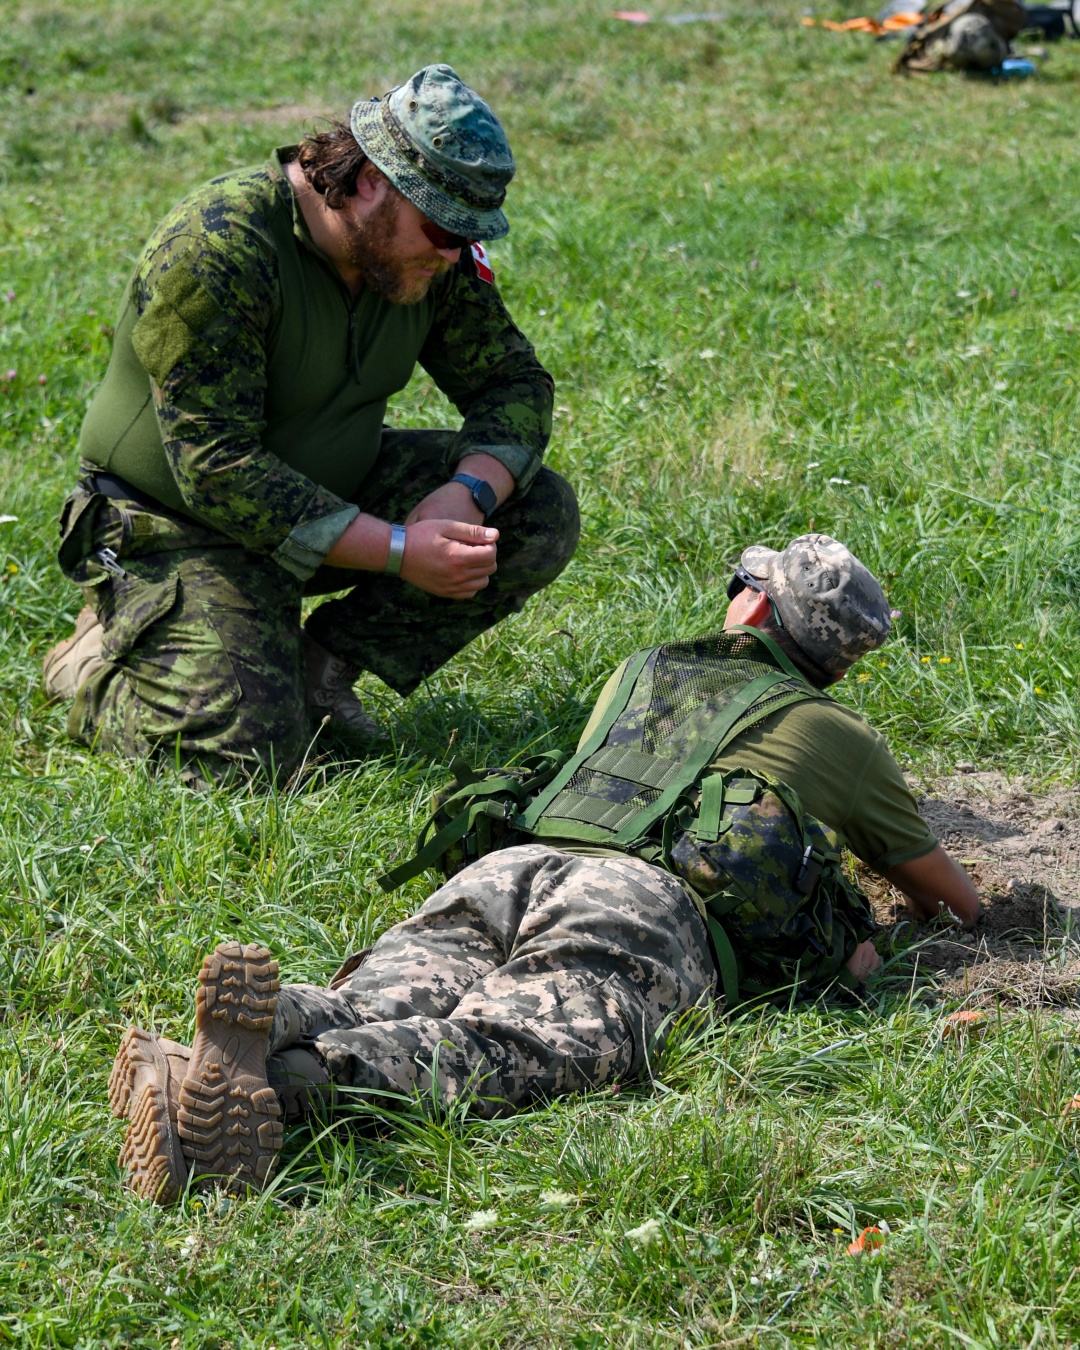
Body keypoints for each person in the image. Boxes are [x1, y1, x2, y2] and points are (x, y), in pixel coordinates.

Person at [108, 534, 981, 1203]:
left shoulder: (642, 673)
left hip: (513, 865)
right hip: (640, 906)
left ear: (752, 612)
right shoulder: (843, 738)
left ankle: (258, 1030)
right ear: (837, 659)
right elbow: (953, 902)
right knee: (507, 1044)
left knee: (386, 992)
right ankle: (295, 1090)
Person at [43, 64, 579, 784]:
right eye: (442, 227)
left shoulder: (425, 256)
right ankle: (93, 666)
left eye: (469, 234)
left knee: (535, 510)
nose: (453, 252)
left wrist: (466, 496)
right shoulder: (220, 245)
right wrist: (396, 548)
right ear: (367, 184)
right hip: (173, 524)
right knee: (240, 765)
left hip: (330, 494)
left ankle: (317, 670)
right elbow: (215, 466)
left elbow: (511, 381)